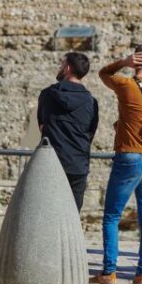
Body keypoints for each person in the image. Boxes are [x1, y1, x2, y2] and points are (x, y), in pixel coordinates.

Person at [90, 45, 142, 284]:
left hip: (128, 158)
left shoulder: (125, 85)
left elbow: (103, 74)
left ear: (136, 62)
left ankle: (109, 272)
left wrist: (122, 62)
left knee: (112, 216)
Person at [37, 52, 99, 212]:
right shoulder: (91, 102)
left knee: (48, 214)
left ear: (67, 68)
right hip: (78, 165)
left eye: (62, 64)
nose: (60, 67)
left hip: (51, 163)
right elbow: (91, 133)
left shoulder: (48, 94)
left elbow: (42, 127)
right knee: (72, 219)